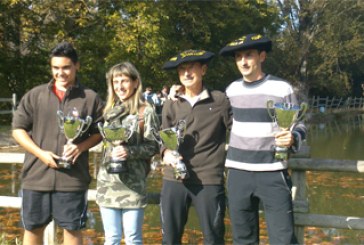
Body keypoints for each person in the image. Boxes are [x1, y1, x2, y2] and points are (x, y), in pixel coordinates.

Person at [11, 42, 104, 245]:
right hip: (36, 177)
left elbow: (100, 133)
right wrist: (41, 153)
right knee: (33, 230)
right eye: (56, 68)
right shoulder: (35, 95)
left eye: (66, 67)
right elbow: (18, 130)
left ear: (77, 66)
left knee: (72, 231)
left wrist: (80, 147)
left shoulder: (90, 98)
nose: (60, 73)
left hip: (73, 179)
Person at [219, 33, 307, 244]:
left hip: (273, 172)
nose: (243, 61)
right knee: (243, 239)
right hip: (238, 172)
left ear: (262, 56)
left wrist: (293, 138)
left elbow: (300, 124)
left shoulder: (282, 88)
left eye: (249, 55)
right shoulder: (231, 90)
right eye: (239, 57)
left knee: (283, 239)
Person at [160, 49, 232, 244]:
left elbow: (237, 131)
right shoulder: (171, 103)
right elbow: (162, 136)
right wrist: (165, 152)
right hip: (173, 179)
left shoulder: (219, 100)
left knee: (214, 238)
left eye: (191, 68)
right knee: (170, 239)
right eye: (182, 69)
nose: (187, 73)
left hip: (208, 179)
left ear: (204, 70)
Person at [96, 62, 160, 245]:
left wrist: (129, 151)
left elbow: (154, 146)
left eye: (124, 81)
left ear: (135, 82)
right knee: (112, 239)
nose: (120, 86)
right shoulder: (108, 111)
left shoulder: (145, 112)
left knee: (133, 239)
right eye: (115, 82)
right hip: (107, 184)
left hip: (133, 186)